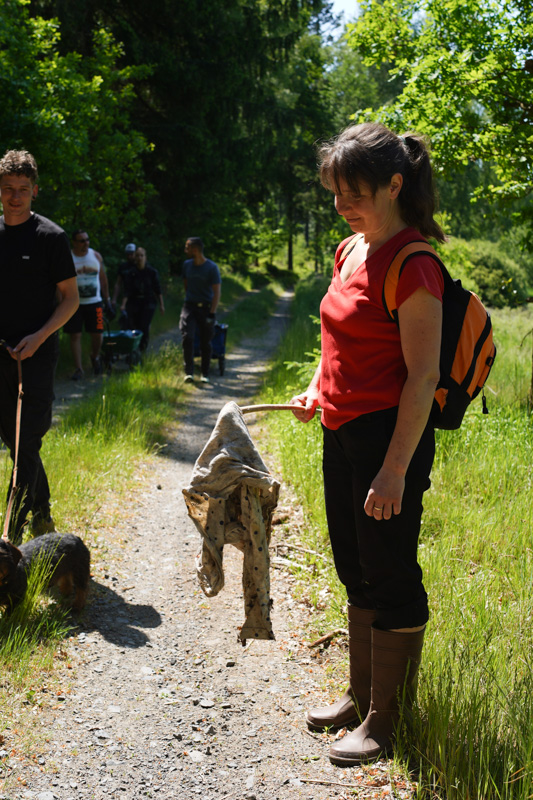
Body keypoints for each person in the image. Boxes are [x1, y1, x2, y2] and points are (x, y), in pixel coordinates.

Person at [290, 122, 445, 766]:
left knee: (390, 572)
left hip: (389, 439)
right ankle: (360, 695)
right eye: (336, 192)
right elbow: (338, 340)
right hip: (340, 430)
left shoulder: (414, 265)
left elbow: (424, 377)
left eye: (355, 192)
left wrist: (394, 471)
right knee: (354, 564)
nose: (343, 204)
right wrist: (313, 388)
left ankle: (385, 721)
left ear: (394, 185)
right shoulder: (350, 250)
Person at [0, 149, 79, 542]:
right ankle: (43, 512)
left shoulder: (51, 237)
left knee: (27, 437)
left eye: (23, 190)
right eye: (9, 189)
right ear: (0, 191)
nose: (16, 197)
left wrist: (39, 337)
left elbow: (70, 299)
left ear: (34, 191)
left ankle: (11, 534)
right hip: (1, 355)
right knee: (16, 443)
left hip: (37, 353)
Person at [64, 229, 110, 379]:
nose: (86, 243)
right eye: (82, 240)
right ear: (74, 243)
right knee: (75, 335)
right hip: (73, 304)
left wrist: (107, 300)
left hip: (94, 303)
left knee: (98, 335)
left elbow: (103, 279)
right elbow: (61, 283)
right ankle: (79, 369)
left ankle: (95, 356)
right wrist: (61, 302)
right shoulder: (68, 258)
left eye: (87, 240)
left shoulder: (95, 256)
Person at [179, 237, 221, 383]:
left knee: (205, 342)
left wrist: (212, 313)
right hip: (189, 306)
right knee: (188, 337)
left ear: (195, 249)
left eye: (187, 248)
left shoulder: (211, 268)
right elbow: (186, 285)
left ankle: (205, 373)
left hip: (206, 308)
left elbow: (216, 292)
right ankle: (189, 372)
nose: (185, 251)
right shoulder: (186, 265)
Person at [120, 246, 165, 351]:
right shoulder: (131, 273)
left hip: (148, 302)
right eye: (137, 256)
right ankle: (133, 349)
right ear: (135, 258)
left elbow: (158, 290)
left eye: (142, 255)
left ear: (145, 257)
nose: (140, 258)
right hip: (134, 301)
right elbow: (127, 290)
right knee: (132, 325)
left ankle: (142, 348)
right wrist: (123, 304)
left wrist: (161, 305)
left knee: (144, 325)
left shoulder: (152, 272)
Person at [111, 242, 136, 312]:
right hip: (127, 298)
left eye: (131, 254)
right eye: (128, 254)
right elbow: (118, 283)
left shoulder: (140, 266)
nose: (129, 256)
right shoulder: (123, 267)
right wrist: (114, 299)